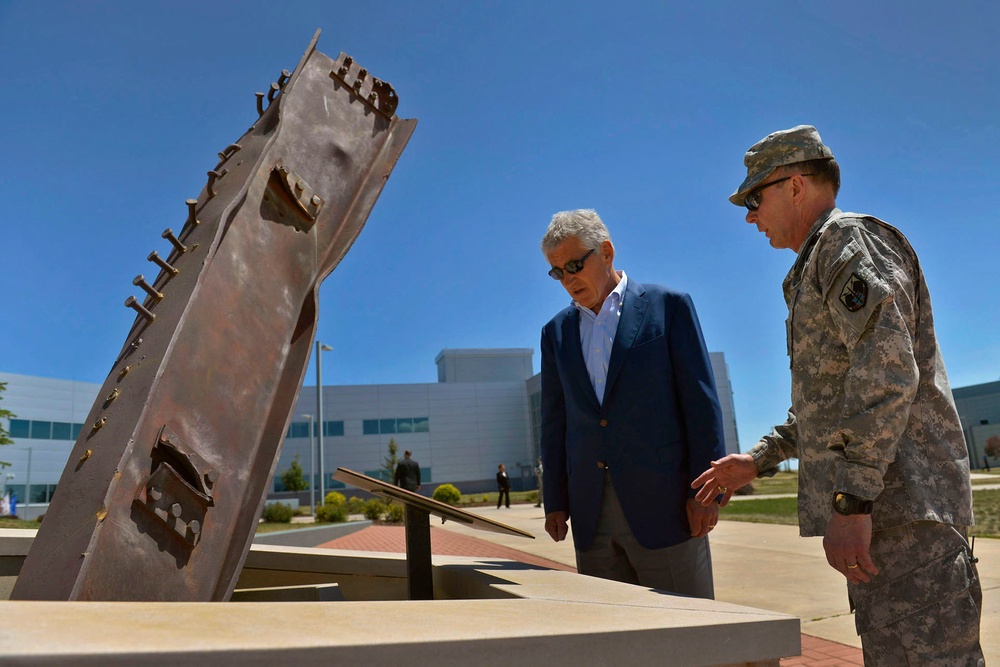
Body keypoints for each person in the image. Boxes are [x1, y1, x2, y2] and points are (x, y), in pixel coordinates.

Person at [692, 125, 983, 664]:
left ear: (796, 186)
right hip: (888, 519)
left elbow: (888, 374)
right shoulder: (817, 263)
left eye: (754, 199)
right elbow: (832, 406)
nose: (750, 216)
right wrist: (758, 460)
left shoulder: (847, 243)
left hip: (905, 517)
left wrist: (852, 502)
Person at [540, 209, 726, 599]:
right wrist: (555, 501)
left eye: (575, 264)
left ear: (606, 252)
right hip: (591, 515)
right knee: (612, 642)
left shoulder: (669, 307)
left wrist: (707, 495)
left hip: (667, 509)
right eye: (558, 271)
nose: (568, 278)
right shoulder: (555, 333)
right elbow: (555, 423)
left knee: (687, 637)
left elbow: (701, 405)